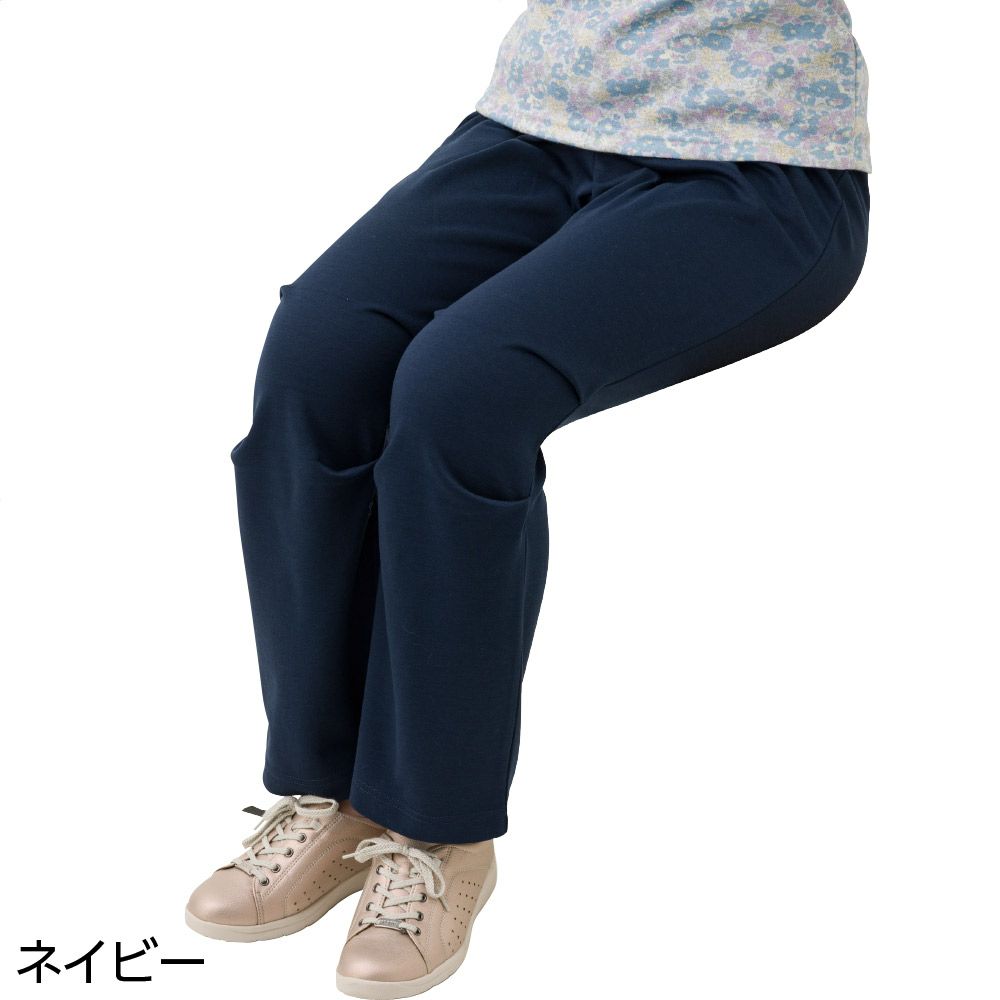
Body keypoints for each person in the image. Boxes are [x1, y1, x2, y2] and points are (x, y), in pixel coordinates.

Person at [185, 2, 872, 997]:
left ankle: (439, 830)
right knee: (317, 361)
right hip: (537, 121)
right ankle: (332, 791)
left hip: (753, 153)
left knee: (461, 392)